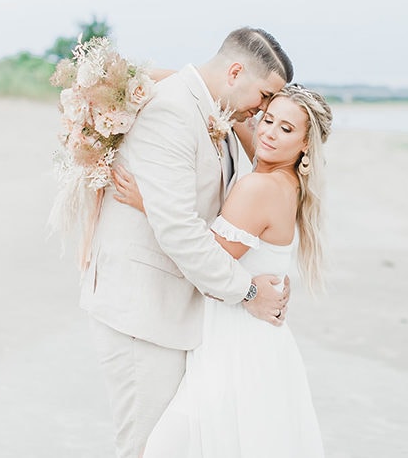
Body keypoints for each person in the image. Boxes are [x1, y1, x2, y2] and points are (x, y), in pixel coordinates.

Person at [79, 27, 294, 458]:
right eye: (266, 95)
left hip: (173, 313)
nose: (264, 109)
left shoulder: (219, 114)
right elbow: (178, 228)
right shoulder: (175, 111)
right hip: (141, 314)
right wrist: (247, 291)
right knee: (141, 449)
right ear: (236, 71)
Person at [111, 84, 332, 457]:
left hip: (238, 347)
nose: (268, 132)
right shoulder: (287, 181)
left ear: (306, 146)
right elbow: (207, 88)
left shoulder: (259, 186)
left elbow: (203, 258)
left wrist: (150, 203)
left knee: (165, 448)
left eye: (286, 129)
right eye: (268, 119)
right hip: (252, 342)